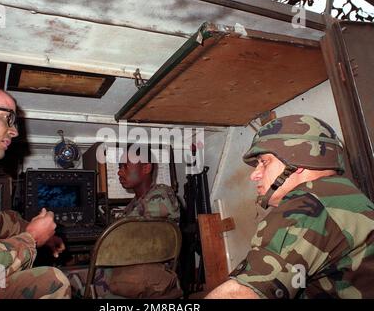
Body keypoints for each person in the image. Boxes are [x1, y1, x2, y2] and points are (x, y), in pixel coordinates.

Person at [206, 114, 374, 299]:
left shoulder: (308, 206)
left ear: (296, 160)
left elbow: (242, 294)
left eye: (264, 162)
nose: (254, 175)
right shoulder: (341, 195)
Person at [0, 84, 71, 299]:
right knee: (53, 282)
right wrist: (33, 238)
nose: (15, 131)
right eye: (7, 118)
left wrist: (39, 232)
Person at [67, 145, 180, 298]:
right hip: (131, 270)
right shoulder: (135, 203)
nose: (120, 172)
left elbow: (121, 237)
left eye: (125, 166)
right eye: (119, 167)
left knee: (64, 281)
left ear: (146, 168)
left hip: (145, 275)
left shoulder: (162, 194)